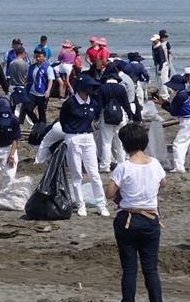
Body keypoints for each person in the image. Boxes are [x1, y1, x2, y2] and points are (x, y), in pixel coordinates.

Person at [104, 123, 170, 302]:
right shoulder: (155, 164)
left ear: (124, 144)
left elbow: (109, 193)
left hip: (128, 219)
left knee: (129, 269)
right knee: (150, 269)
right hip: (150, 218)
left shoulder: (123, 167)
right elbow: (163, 183)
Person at [61, 74, 109, 217]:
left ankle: (102, 204)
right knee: (76, 174)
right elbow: (63, 121)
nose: (91, 89)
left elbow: (94, 117)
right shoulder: (69, 103)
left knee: (94, 173)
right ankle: (81, 205)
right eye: (89, 87)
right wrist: (71, 131)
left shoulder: (93, 103)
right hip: (73, 138)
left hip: (88, 138)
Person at [161, 74, 190, 173]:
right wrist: (164, 103)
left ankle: (179, 167)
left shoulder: (180, 96)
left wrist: (163, 104)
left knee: (178, 144)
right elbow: (175, 108)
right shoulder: (184, 93)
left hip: (188, 121)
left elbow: (173, 111)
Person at [97, 69, 137, 172]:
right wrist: (130, 116)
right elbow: (126, 104)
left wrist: (96, 118)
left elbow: (100, 105)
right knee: (120, 141)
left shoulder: (102, 88)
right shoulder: (121, 88)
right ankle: (121, 163)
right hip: (120, 116)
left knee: (106, 142)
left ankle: (105, 166)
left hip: (106, 117)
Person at [22, 48, 53, 126]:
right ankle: (36, 123)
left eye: (39, 56)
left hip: (42, 94)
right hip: (32, 92)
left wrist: (48, 90)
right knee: (27, 108)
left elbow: (50, 80)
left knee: (41, 112)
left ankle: (42, 127)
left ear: (44, 57)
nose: (38, 58)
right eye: (36, 56)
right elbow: (28, 78)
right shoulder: (32, 67)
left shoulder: (48, 68)